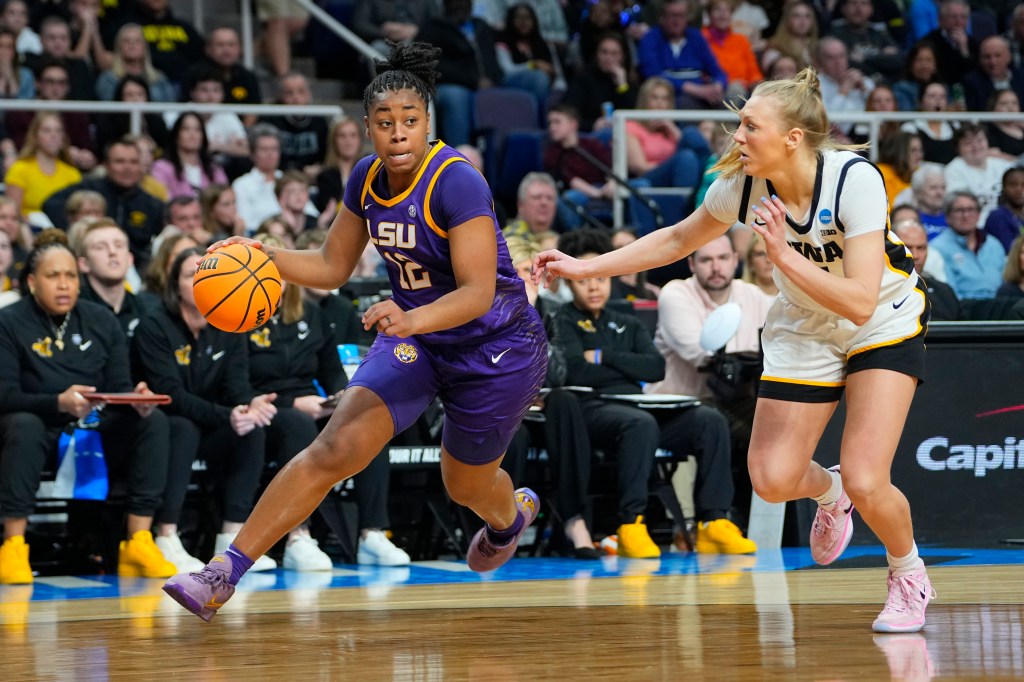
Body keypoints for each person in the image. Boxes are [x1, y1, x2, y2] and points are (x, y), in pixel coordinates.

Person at [534, 68, 936, 633]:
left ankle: (907, 572)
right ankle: (831, 491)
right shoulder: (741, 187)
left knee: (872, 477)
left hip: (880, 320)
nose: (737, 136)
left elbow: (859, 300)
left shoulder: (854, 180)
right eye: (738, 124)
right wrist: (587, 265)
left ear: (793, 138)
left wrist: (785, 258)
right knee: (772, 479)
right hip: (803, 324)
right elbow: (676, 240)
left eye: (750, 126)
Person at [163, 42, 548, 620]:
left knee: (464, 485)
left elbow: (478, 293)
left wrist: (411, 316)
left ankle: (510, 516)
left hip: (497, 347)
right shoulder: (366, 179)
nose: (398, 134)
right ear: (367, 128)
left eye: (410, 122)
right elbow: (330, 266)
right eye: (385, 123)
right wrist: (264, 254)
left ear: (428, 125)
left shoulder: (457, 182)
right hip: (419, 339)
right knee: (333, 449)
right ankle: (224, 572)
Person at [551, 229, 756, 556]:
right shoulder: (561, 319)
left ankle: (713, 521)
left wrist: (605, 356)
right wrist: (626, 365)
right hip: (590, 408)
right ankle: (631, 523)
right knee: (638, 423)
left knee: (708, 420)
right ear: (569, 283)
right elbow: (576, 371)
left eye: (601, 278)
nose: (593, 287)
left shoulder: (626, 321)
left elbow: (654, 368)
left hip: (638, 405)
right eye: (583, 281)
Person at [0, 229, 174, 584]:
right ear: (32, 281)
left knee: (153, 422)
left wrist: (134, 399)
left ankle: (138, 541)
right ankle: (13, 545)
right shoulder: (9, 321)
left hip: (95, 428)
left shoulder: (101, 319)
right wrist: (57, 402)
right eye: (53, 276)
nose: (64, 285)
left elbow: (118, 386)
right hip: (42, 430)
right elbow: (4, 394)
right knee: (23, 424)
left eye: (70, 276)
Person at [133, 248, 279, 574]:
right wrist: (225, 414)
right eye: (191, 275)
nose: (201, 282)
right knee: (183, 426)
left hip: (212, 425)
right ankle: (166, 535)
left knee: (252, 428)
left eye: (205, 274)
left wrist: (248, 406)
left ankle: (232, 539)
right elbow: (170, 395)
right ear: (175, 286)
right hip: (169, 428)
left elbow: (237, 386)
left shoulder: (230, 321)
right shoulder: (154, 326)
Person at [649, 233, 772, 526]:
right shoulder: (675, 293)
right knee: (748, 428)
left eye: (722, 259)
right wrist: (750, 358)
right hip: (679, 404)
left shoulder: (751, 294)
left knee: (781, 422)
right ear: (692, 263)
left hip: (733, 399)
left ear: (735, 261)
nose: (715, 267)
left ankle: (771, 520)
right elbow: (701, 352)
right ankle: (719, 519)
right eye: (706, 260)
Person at [636, 0, 728, 109]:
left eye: (681, 16)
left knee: (729, 103)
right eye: (672, 15)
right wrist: (695, 90)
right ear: (662, 17)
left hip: (703, 96)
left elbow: (718, 71)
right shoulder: (650, 39)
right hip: (670, 97)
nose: (676, 21)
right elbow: (653, 74)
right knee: (684, 102)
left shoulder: (696, 37)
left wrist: (718, 85)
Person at [2, 112, 82, 221]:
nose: (54, 135)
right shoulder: (19, 169)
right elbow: (12, 214)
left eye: (58, 131)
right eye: (47, 130)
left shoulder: (73, 174)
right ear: (35, 136)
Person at [931, 191, 1008, 300]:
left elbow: (1007, 281)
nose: (966, 215)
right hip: (963, 308)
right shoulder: (937, 248)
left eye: (971, 209)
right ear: (948, 216)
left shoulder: (993, 244)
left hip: (999, 304)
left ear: (979, 214)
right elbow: (948, 293)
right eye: (959, 210)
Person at [891, 217, 960, 320]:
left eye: (921, 248)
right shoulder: (879, 292)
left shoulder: (943, 292)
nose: (915, 255)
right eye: (907, 247)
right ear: (890, 249)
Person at [150, 112, 230, 201]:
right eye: (186, 129)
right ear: (177, 134)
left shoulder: (213, 168)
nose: (192, 134)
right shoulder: (161, 168)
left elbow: (224, 197)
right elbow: (162, 201)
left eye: (197, 129)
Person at [94, 23, 175, 103]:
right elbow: (107, 112)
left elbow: (169, 111)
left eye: (137, 41)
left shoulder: (159, 79)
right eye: (126, 41)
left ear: (145, 47)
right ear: (119, 47)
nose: (132, 44)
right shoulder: (108, 79)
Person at [984, 166, 1024, 254]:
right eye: (1013, 185)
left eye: (1023, 185)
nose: (1019, 189)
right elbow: (1011, 250)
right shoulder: (997, 217)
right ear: (1004, 188)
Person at [741, 231, 778, 297]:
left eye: (772, 253)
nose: (768, 260)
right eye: (761, 254)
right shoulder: (740, 294)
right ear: (750, 261)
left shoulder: (794, 297)